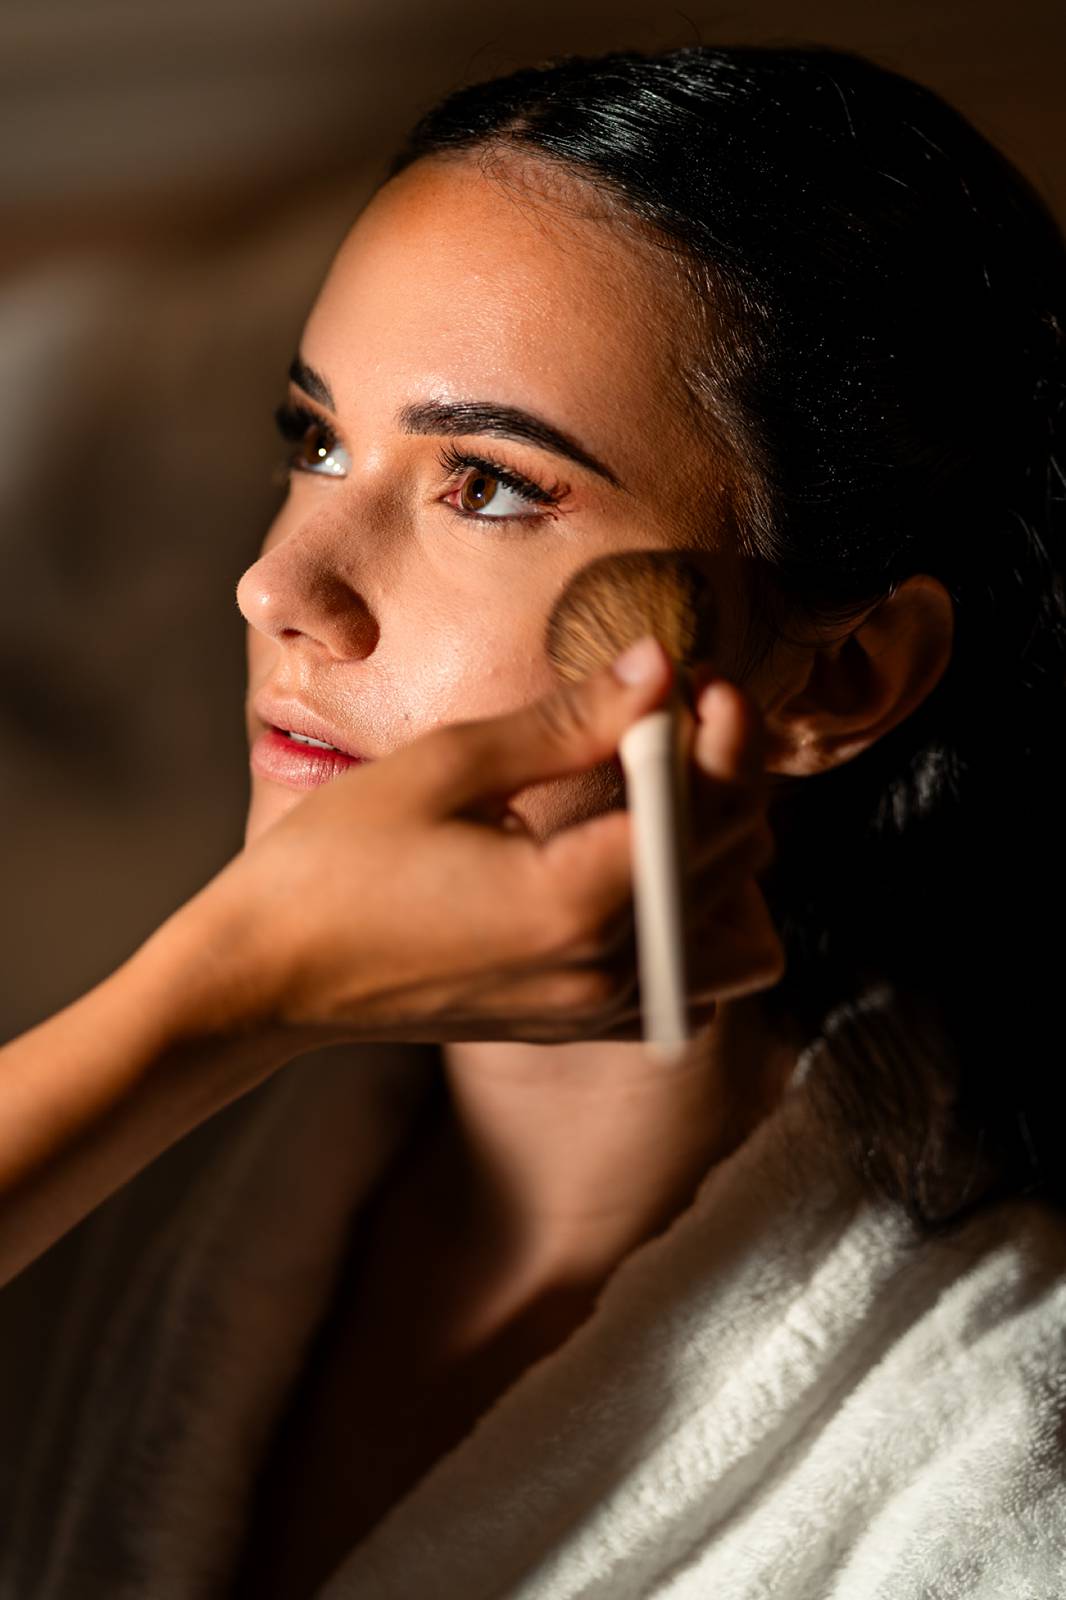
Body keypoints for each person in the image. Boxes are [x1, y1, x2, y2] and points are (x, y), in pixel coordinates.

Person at [2, 40, 1065, 1600]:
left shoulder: (990, 1457)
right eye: (315, 440)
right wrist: (213, 1005)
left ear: (837, 671)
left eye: (486, 484)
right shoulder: (123, 1177)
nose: (279, 585)